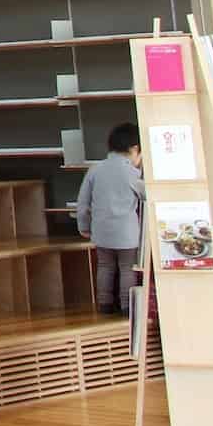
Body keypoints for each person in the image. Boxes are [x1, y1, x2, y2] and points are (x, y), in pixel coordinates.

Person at [75, 123, 144, 317]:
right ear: (134, 149)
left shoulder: (95, 170)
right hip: (126, 234)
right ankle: (126, 306)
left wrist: (83, 226)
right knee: (127, 269)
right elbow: (146, 194)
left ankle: (104, 303)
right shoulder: (132, 173)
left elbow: (82, 202)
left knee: (105, 267)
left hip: (102, 231)